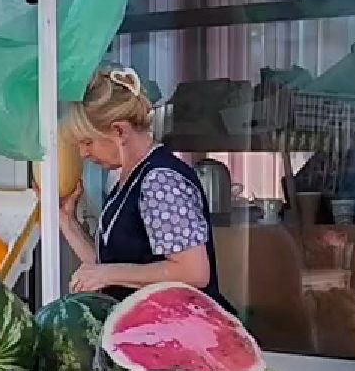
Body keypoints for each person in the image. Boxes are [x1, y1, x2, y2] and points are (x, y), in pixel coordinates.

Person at [59, 65, 230, 308]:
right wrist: (66, 220)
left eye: (88, 142)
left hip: (180, 334)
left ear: (119, 131)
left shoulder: (160, 181)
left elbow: (193, 272)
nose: (83, 153)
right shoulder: (128, 180)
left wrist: (107, 274)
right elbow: (109, 268)